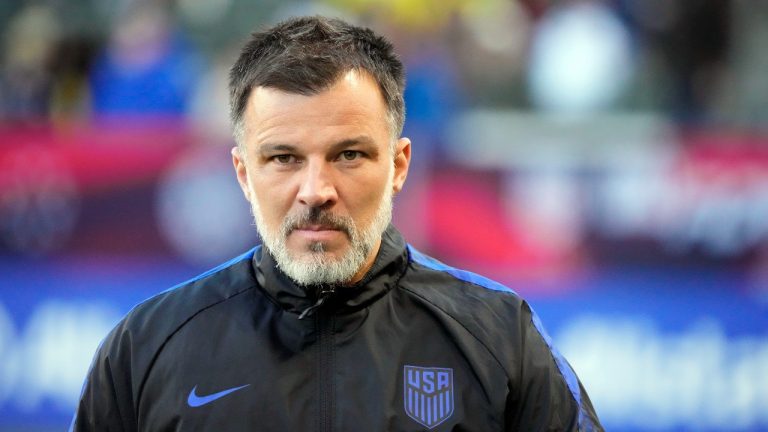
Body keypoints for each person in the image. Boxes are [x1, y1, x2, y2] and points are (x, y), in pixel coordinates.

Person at [71, 16, 602, 431]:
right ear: (243, 174)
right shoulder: (146, 346)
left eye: (348, 155)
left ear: (398, 166)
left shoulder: (499, 336)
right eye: (283, 158)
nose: (315, 191)